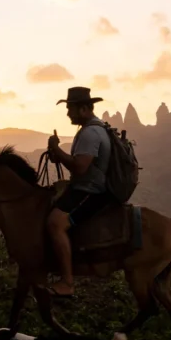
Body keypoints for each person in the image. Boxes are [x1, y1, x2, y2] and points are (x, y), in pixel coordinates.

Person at [45, 86, 112, 299]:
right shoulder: (90, 129)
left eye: (71, 109)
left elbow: (80, 167)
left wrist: (56, 149)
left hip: (90, 190)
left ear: (83, 109)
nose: (68, 113)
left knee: (55, 223)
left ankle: (67, 282)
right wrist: (56, 154)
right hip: (84, 186)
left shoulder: (91, 133)